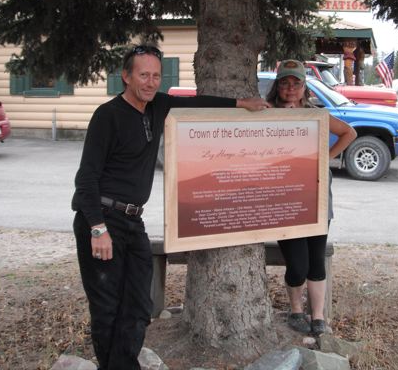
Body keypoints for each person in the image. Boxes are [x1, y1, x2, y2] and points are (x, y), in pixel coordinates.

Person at [71, 44, 270, 370]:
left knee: (138, 304)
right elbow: (86, 178)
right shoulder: (107, 116)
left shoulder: (158, 106)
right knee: (107, 306)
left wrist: (240, 104)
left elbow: (196, 103)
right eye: (143, 75)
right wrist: (97, 228)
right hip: (102, 220)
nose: (150, 82)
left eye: (155, 76)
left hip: (133, 222)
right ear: (126, 76)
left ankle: (123, 363)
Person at [266, 59, 356, 336]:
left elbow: (349, 133)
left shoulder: (316, 114)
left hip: (316, 200)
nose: (291, 88)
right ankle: (296, 311)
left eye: (296, 83)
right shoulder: (266, 114)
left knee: (316, 261)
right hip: (284, 201)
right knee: (298, 263)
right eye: (285, 82)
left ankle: (317, 318)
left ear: (304, 87)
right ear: (277, 86)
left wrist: (325, 159)